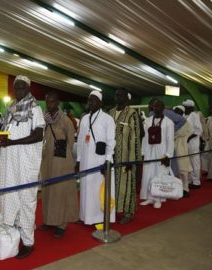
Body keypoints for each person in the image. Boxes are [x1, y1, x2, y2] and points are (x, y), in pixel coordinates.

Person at [0, 75, 45, 259]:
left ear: (28, 89)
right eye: (16, 88)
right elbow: (5, 133)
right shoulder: (10, 109)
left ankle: (28, 242)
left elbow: (38, 135)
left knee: (26, 201)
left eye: (22, 88)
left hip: (26, 165)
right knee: (11, 197)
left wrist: (12, 142)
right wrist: (0, 144)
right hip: (10, 163)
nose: (19, 91)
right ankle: (15, 234)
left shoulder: (35, 109)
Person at [39, 91, 79, 238]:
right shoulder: (43, 119)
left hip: (61, 162)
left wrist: (63, 157)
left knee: (60, 192)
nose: (49, 105)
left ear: (58, 103)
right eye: (47, 101)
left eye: (52, 102)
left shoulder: (65, 120)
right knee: (48, 191)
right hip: (47, 160)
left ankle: (62, 224)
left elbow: (70, 141)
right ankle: (49, 220)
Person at [76, 90, 116, 225]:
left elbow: (111, 141)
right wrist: (79, 159)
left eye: (93, 100)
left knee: (98, 188)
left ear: (100, 102)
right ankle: (85, 217)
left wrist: (108, 160)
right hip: (85, 160)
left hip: (100, 160)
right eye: (89, 100)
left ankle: (99, 218)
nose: (90, 103)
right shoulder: (85, 118)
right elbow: (81, 139)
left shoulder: (107, 119)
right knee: (85, 188)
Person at [108, 88, 141, 224]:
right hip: (111, 157)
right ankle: (112, 210)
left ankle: (128, 212)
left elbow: (136, 137)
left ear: (126, 98)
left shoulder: (132, 114)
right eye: (116, 95)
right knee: (112, 185)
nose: (118, 98)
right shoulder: (110, 112)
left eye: (120, 95)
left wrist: (133, 160)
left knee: (127, 184)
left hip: (126, 157)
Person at [141, 99, 174, 209]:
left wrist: (168, 155)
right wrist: (143, 152)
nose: (156, 108)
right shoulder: (148, 120)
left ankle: (158, 199)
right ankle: (149, 197)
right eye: (154, 106)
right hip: (149, 152)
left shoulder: (169, 122)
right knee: (148, 174)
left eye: (158, 106)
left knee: (159, 175)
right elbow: (145, 138)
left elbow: (170, 140)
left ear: (163, 108)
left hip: (162, 152)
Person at [182, 99, 203, 189]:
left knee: (195, 162)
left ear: (190, 108)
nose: (184, 108)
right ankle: (190, 180)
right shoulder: (185, 115)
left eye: (186, 107)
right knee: (188, 162)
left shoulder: (194, 115)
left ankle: (196, 182)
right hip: (186, 143)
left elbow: (199, 130)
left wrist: (189, 138)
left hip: (193, 142)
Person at [173, 105, 193, 197]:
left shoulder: (186, 123)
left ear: (181, 113)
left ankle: (185, 188)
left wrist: (172, 133)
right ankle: (176, 188)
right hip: (172, 147)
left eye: (178, 112)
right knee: (173, 169)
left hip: (181, 147)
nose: (176, 113)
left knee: (183, 169)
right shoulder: (172, 122)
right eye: (175, 111)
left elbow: (179, 133)